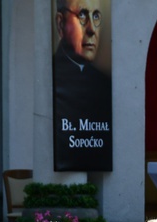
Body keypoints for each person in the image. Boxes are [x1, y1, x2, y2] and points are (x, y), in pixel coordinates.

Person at [54, 0, 112, 171]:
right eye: (82, 15)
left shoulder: (105, 84)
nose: (92, 29)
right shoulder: (52, 77)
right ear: (60, 24)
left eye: (96, 17)